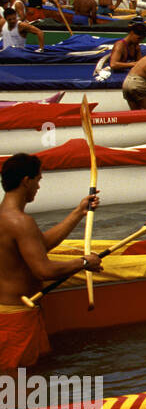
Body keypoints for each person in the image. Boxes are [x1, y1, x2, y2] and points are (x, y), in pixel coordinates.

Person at [0, 153, 103, 372]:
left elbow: (39, 245)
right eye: (38, 180)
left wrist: (78, 213)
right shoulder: (21, 222)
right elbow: (43, 270)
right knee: (20, 388)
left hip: (8, 313)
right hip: (16, 319)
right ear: (26, 181)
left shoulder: (6, 217)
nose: (38, 186)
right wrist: (84, 263)